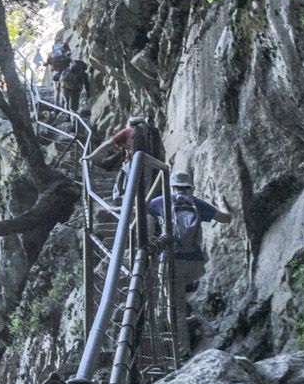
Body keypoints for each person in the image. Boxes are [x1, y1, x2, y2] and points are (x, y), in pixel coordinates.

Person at [148, 170, 232, 359]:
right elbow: (226, 218)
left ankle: (182, 352)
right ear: (190, 187)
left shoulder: (162, 200)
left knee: (175, 307)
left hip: (172, 260)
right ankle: (200, 324)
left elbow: (139, 210)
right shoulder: (196, 202)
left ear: (172, 186)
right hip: (195, 263)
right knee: (184, 297)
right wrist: (221, 204)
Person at [83, 115, 164, 199]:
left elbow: (109, 143)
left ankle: (126, 204)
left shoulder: (128, 131)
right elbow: (161, 150)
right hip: (149, 164)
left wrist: (90, 157)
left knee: (126, 184)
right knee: (145, 189)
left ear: (130, 123)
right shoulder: (151, 131)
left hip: (132, 163)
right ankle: (143, 208)